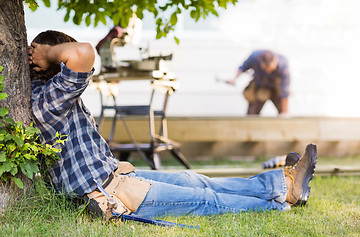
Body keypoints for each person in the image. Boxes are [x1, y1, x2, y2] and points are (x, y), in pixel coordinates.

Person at [29, 30, 316, 219]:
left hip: (116, 175)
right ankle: (278, 204)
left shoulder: (56, 94)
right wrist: (45, 53)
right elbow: (83, 52)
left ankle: (283, 183)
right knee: (204, 200)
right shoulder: (47, 100)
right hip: (108, 192)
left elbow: (80, 54)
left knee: (196, 180)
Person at [227, 50, 290, 116]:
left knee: (283, 114)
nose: (268, 71)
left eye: (270, 69)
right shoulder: (254, 57)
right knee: (252, 114)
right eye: (266, 69)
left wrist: (285, 111)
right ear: (261, 62)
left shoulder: (283, 64)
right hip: (259, 86)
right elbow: (243, 67)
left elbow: (285, 90)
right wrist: (234, 79)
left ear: (275, 61)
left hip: (276, 88)